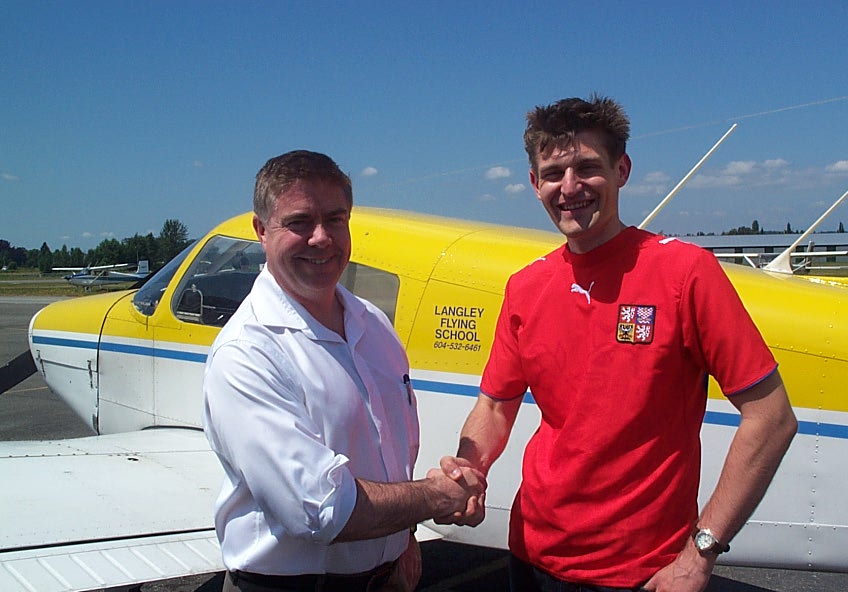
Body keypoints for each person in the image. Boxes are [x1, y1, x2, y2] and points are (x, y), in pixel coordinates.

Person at [441, 95, 798, 592]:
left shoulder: (684, 273)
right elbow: (496, 406)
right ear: (533, 183)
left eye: (587, 168)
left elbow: (772, 417)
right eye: (553, 173)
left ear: (622, 169)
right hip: (530, 557)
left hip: (642, 572)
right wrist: (470, 467)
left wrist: (702, 552)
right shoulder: (526, 287)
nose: (569, 188)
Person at [203, 150, 485, 592]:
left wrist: (404, 538)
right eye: (299, 222)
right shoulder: (246, 352)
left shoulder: (373, 323)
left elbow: (390, 454)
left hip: (388, 579)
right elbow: (317, 508)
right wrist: (436, 496)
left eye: (335, 219)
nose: (321, 238)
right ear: (261, 230)